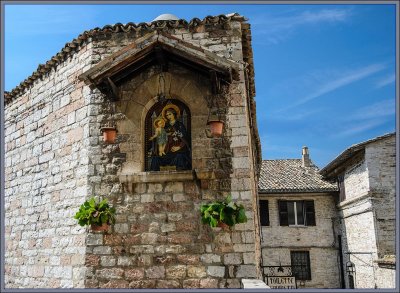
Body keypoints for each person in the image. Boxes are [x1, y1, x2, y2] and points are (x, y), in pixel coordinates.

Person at [150, 104, 191, 171]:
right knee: (155, 159)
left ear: (174, 114)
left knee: (180, 157)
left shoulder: (180, 125)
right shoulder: (165, 126)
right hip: (166, 151)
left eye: (170, 114)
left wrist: (179, 147)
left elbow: (185, 139)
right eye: (167, 115)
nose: (168, 116)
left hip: (177, 151)